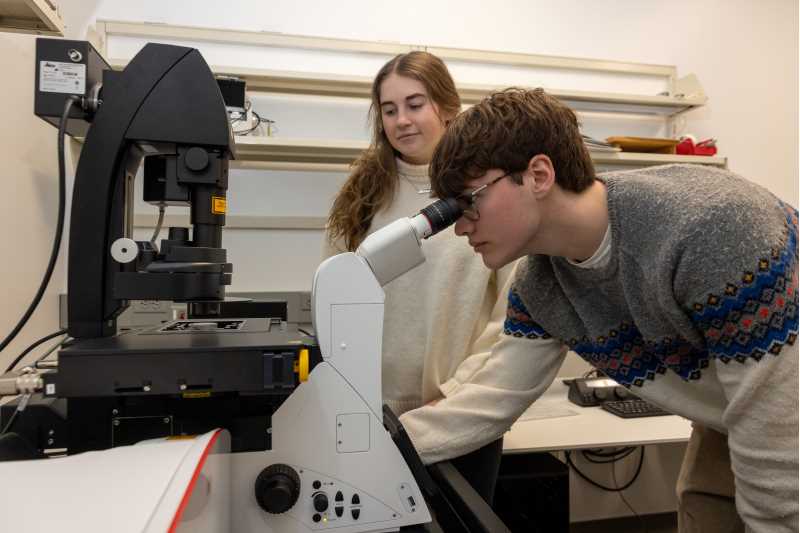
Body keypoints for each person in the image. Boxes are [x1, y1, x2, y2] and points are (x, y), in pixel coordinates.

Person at [428, 87, 798, 532]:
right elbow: (489, 401)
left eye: (469, 201)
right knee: (708, 508)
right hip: (740, 407)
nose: (460, 228)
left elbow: (779, 449)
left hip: (783, 400)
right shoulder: (541, 285)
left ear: (539, 175)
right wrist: (376, 446)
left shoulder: (714, 232)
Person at [322, 54, 551, 504]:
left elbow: (510, 314)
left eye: (415, 104)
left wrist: (453, 397)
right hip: (372, 413)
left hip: (454, 417)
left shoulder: (488, 192)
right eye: (389, 110)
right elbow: (335, 296)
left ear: (446, 107)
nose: (402, 120)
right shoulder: (360, 193)